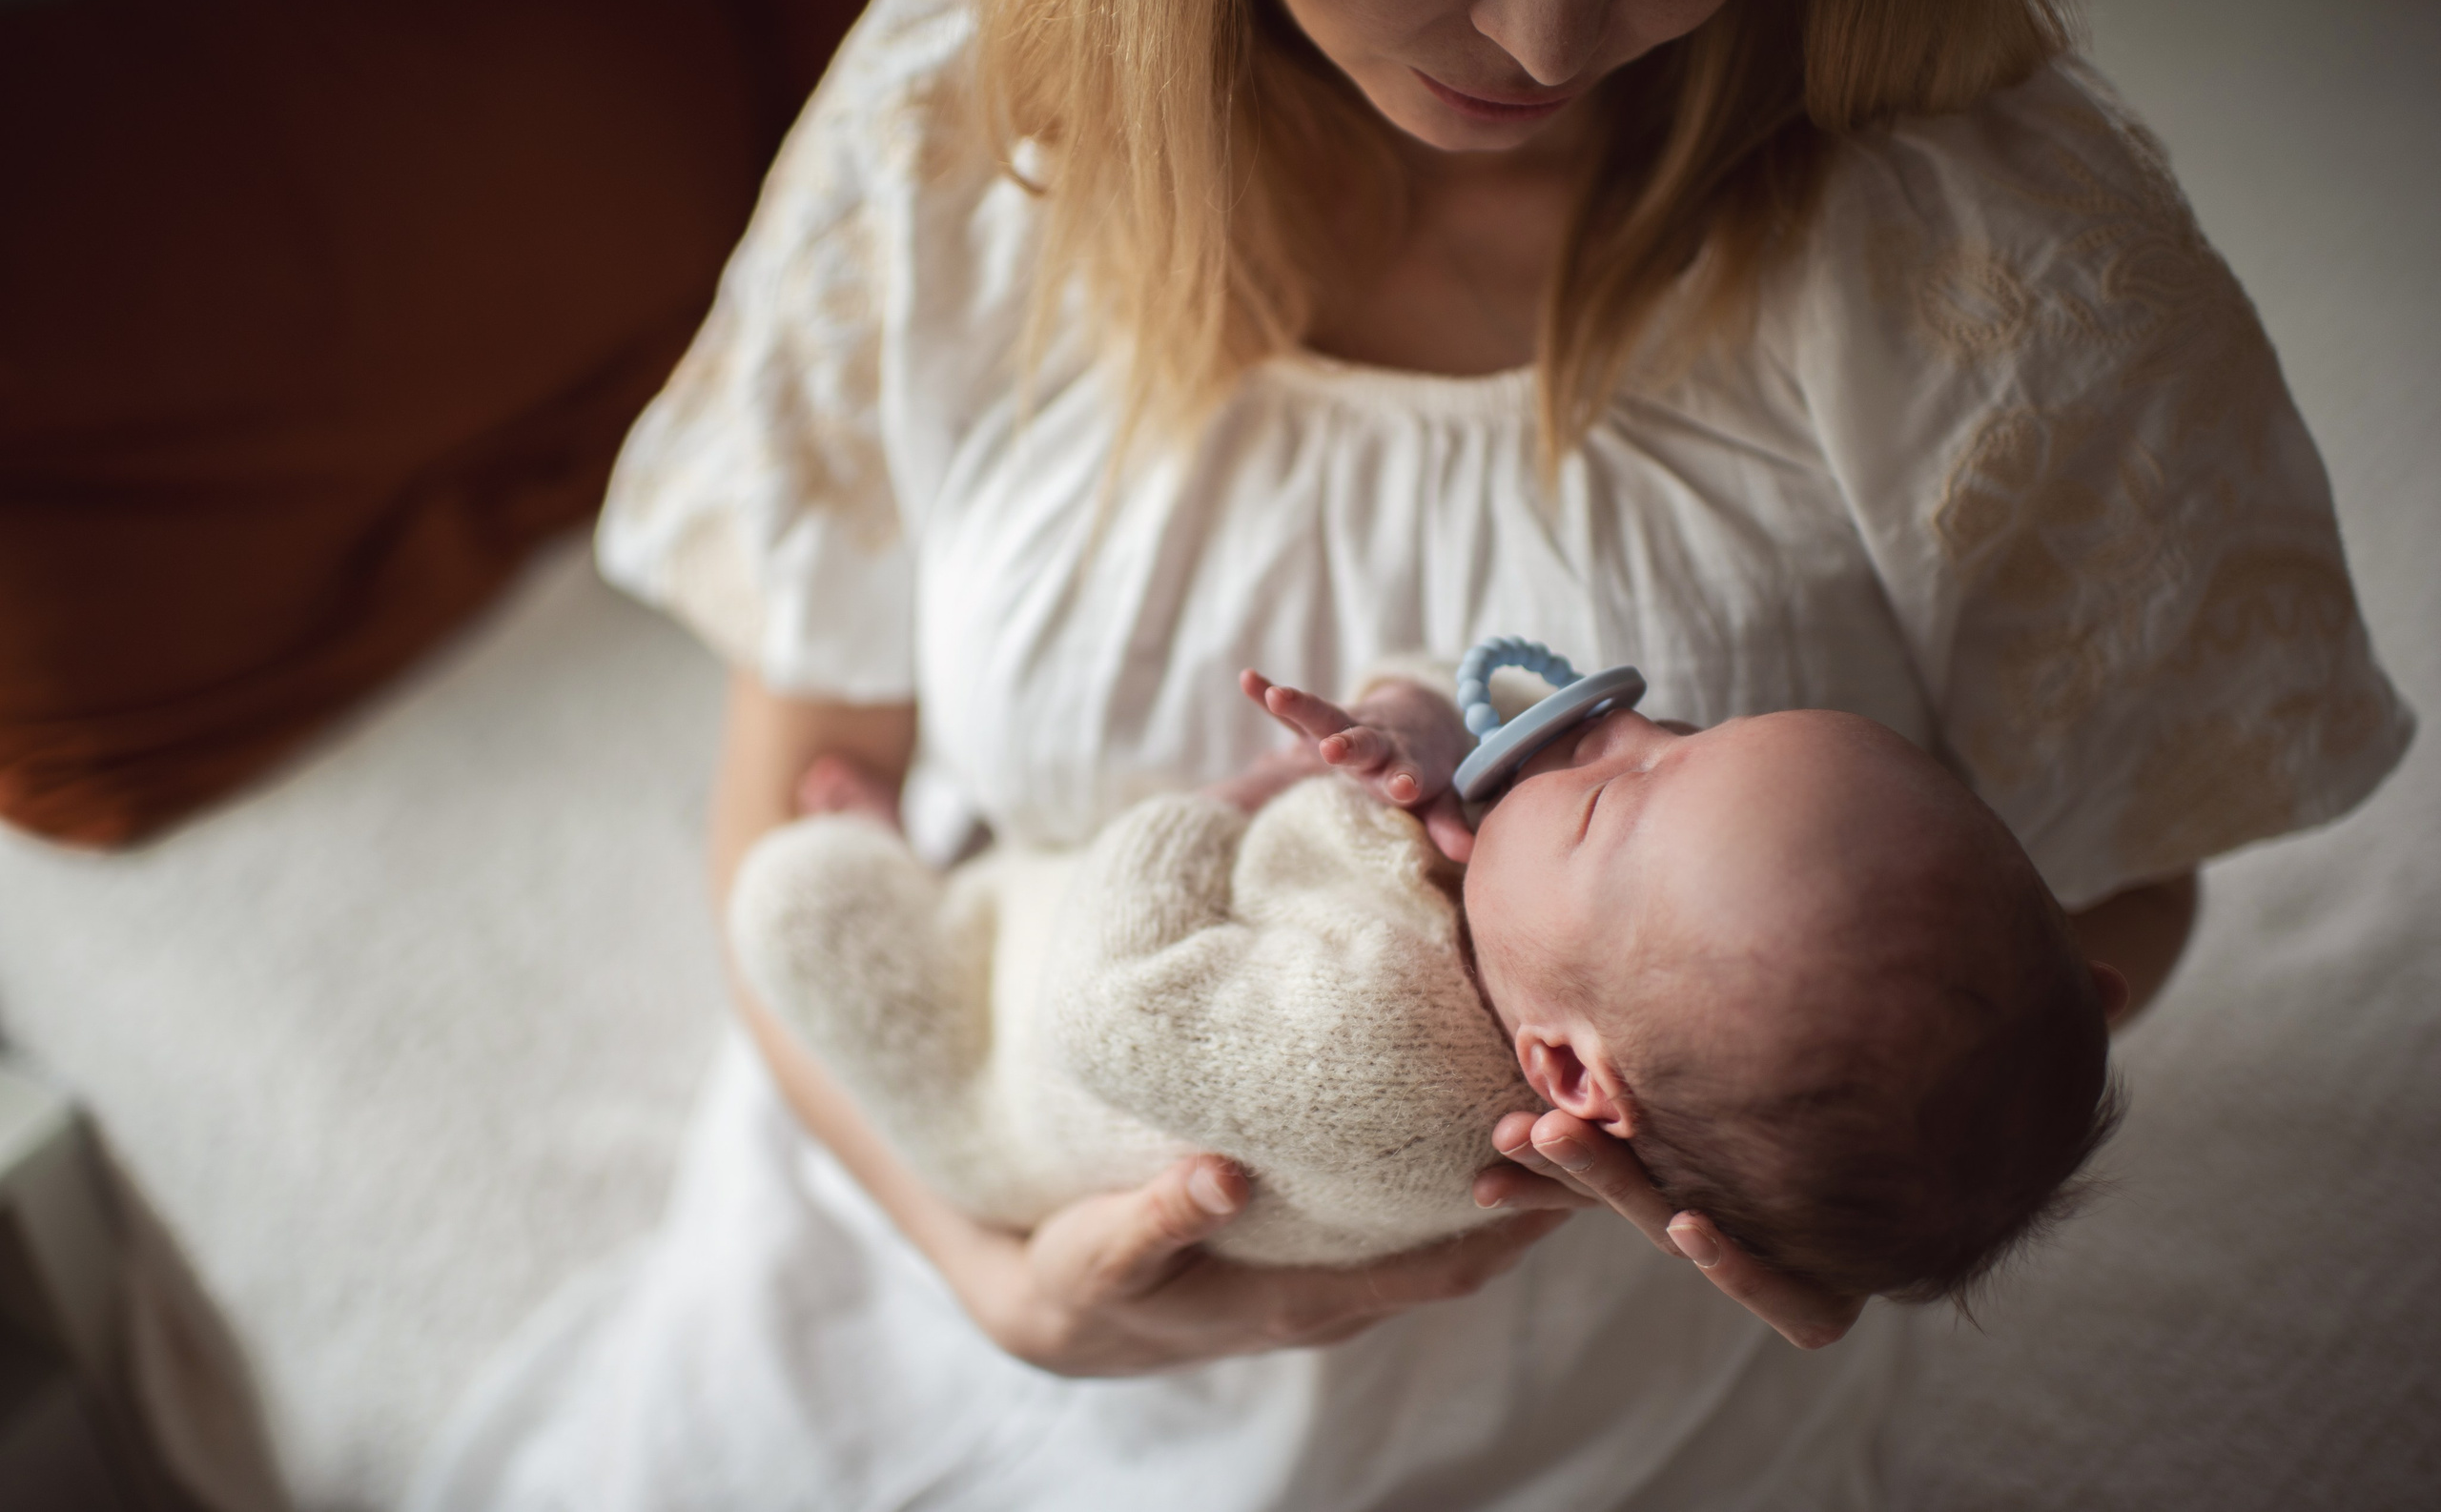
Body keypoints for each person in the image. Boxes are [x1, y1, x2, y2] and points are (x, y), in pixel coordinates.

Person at [410, 0, 2412, 1506]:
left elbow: (2108, 899)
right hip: (924, 1219)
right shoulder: (959, 127)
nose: (1548, 25)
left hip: (1579, 1418)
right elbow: (804, 792)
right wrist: (990, 1280)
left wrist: (1829, 1181)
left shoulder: (1996, 253)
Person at [732, 660, 2123, 1298]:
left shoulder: (1385, 1057)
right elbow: (1423, 786)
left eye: (1602, 800)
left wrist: (1237, 797)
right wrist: (1406, 736)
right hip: (1101, 940)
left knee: (795, 908)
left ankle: (884, 868)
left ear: (1568, 1071)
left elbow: (1110, 1007)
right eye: (1685, 727)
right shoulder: (1567, 954)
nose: (1612, 723)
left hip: (1000, 1049)